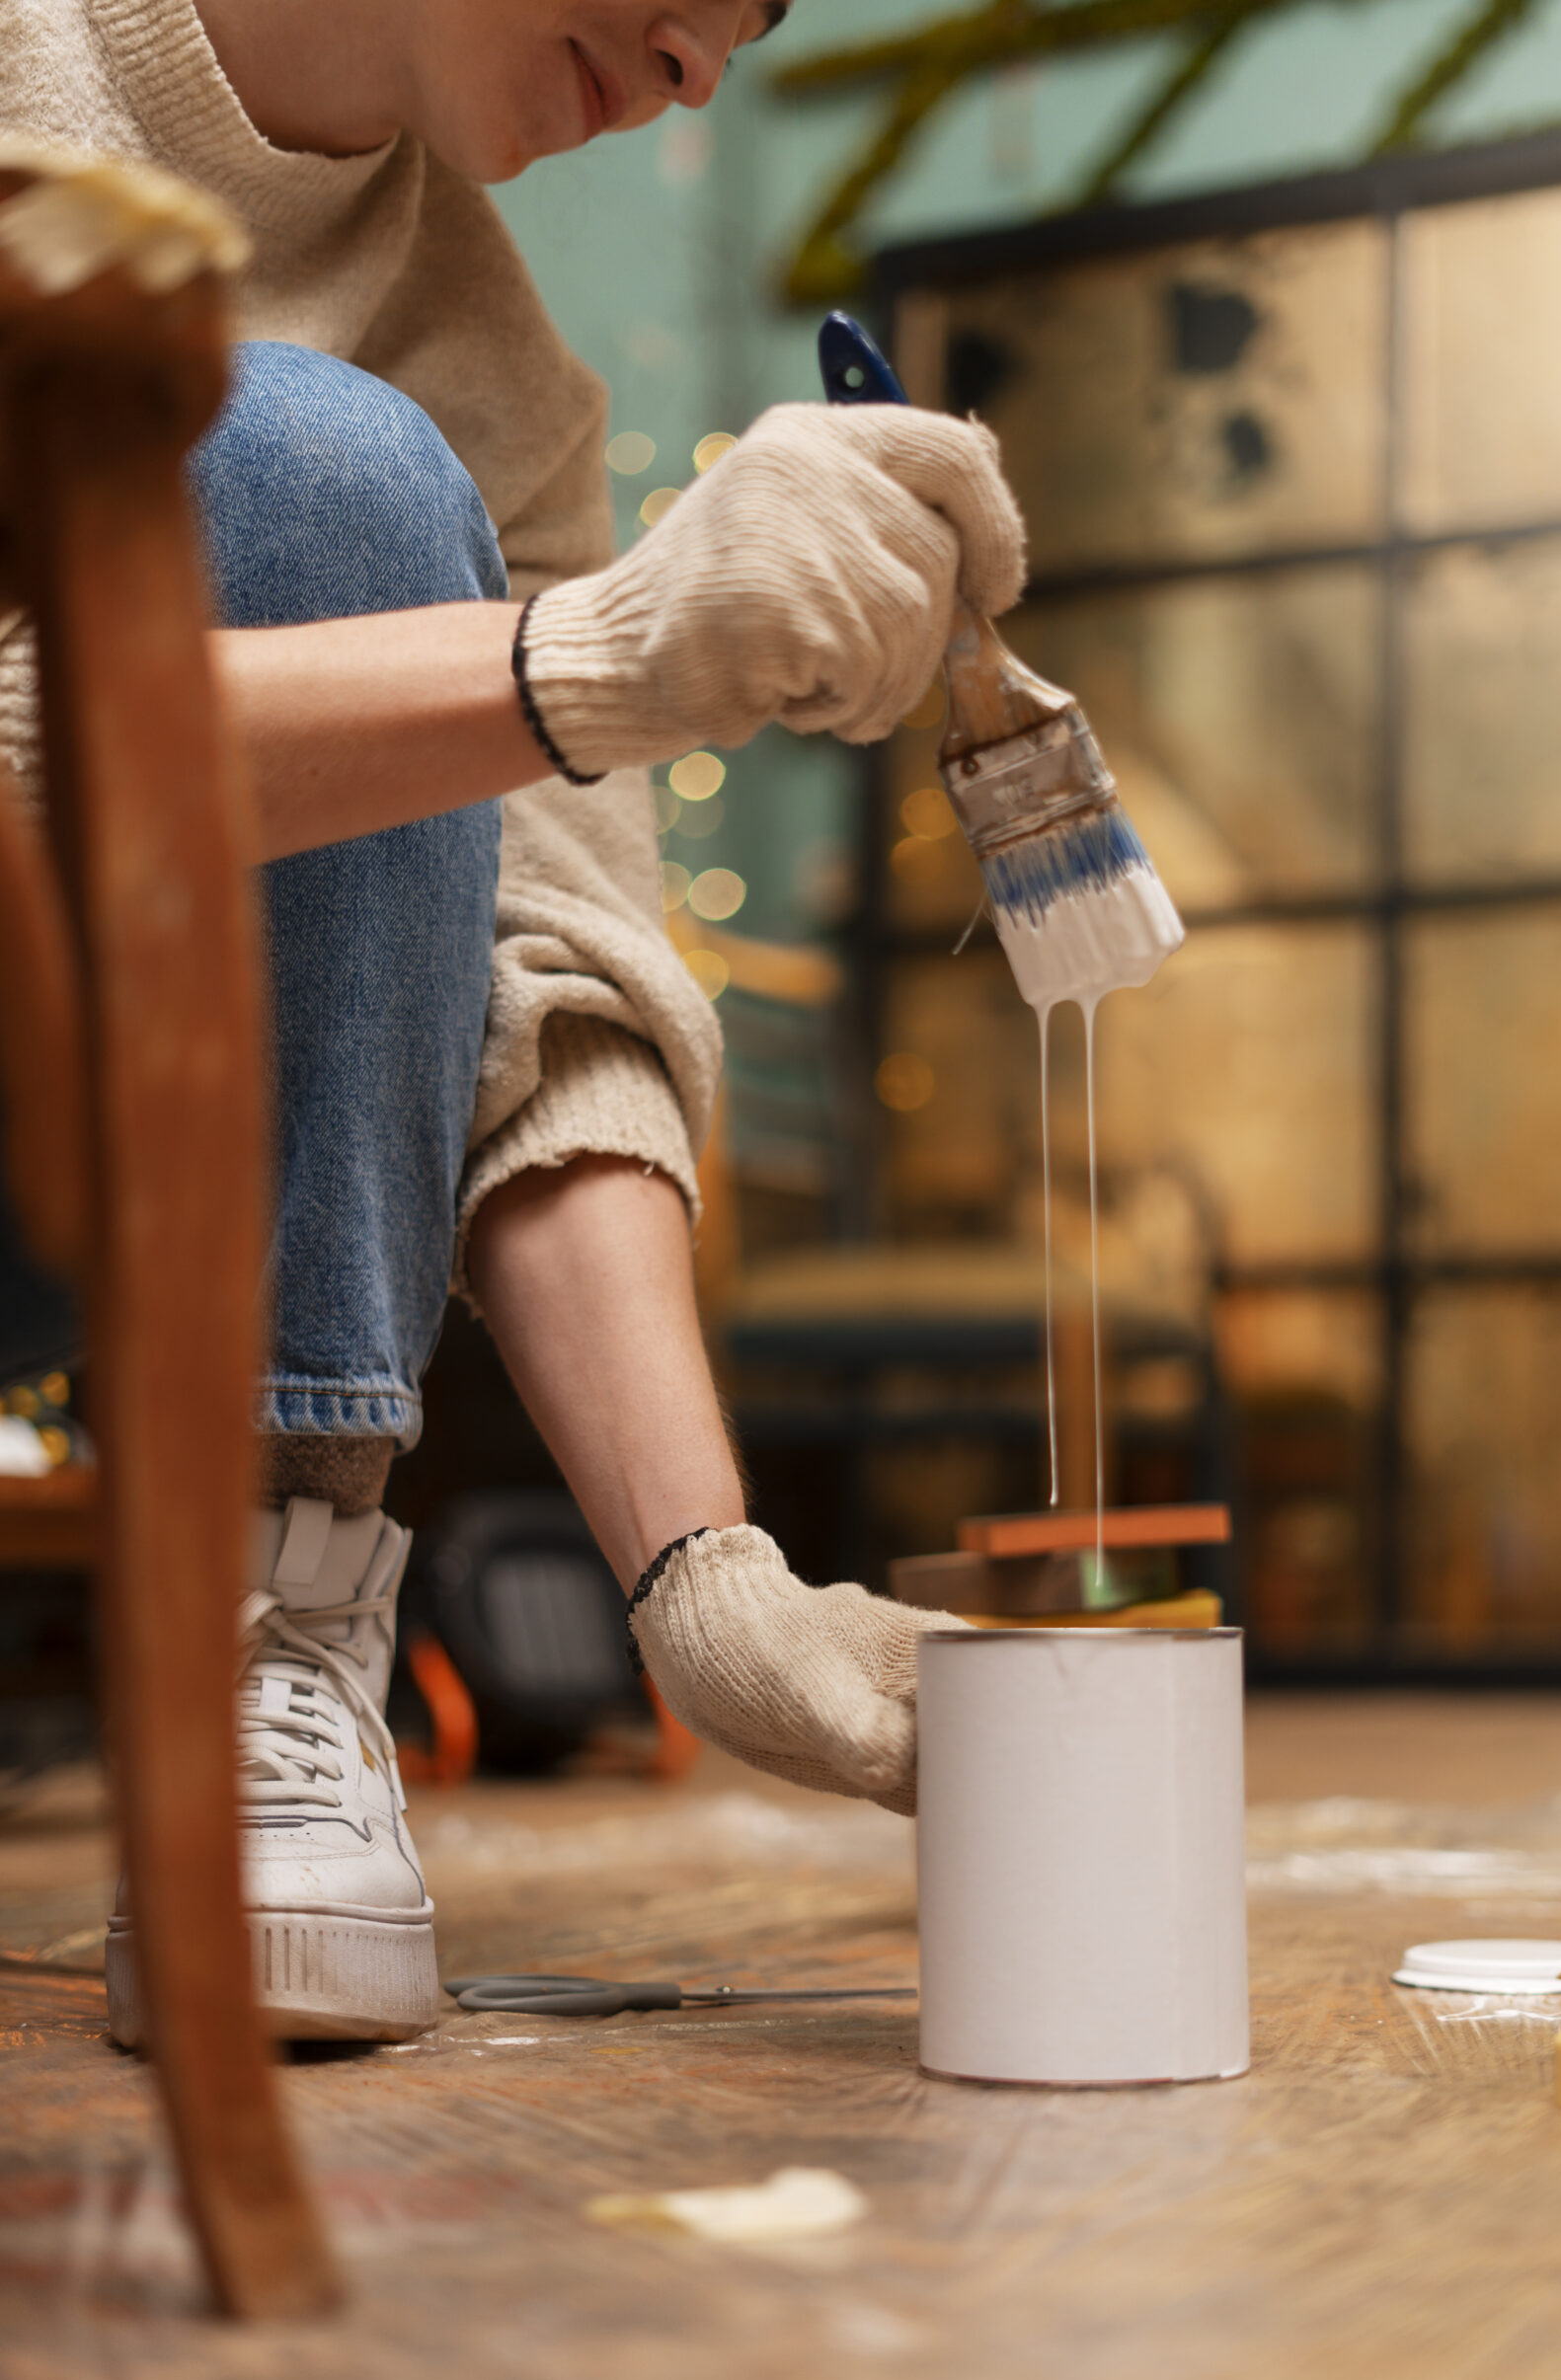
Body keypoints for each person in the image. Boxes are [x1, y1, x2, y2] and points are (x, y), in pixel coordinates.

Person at [0, 1, 1023, 2041]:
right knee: (300, 458)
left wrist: (706, 1585)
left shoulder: (493, 381)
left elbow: (554, 990)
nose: (694, 60)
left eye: (748, 23)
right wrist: (581, 656)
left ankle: (272, 1621)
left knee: (350, 481)